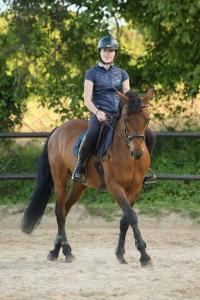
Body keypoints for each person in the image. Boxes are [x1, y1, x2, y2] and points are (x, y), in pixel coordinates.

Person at [72, 35, 156, 184]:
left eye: (111, 51)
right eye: (105, 50)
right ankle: (80, 167)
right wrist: (97, 112)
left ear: (115, 54)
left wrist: (134, 106)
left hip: (119, 113)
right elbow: (87, 98)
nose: (108, 53)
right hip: (100, 113)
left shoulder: (122, 73)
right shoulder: (91, 73)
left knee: (149, 134)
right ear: (100, 52)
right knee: (92, 134)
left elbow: (127, 96)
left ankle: (145, 169)